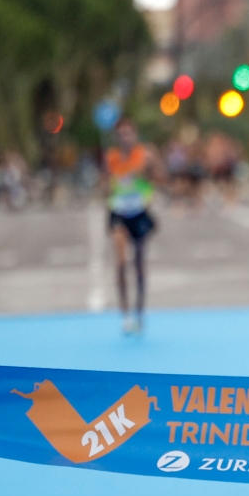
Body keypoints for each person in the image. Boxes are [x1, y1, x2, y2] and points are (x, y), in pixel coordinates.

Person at [104, 118, 159, 334]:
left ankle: (139, 312)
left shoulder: (145, 155)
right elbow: (106, 184)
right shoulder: (111, 158)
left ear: (135, 135)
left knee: (138, 262)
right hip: (119, 212)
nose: (125, 137)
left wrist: (149, 169)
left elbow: (159, 179)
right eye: (122, 134)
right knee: (120, 262)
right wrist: (109, 184)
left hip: (139, 212)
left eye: (129, 133)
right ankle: (125, 314)